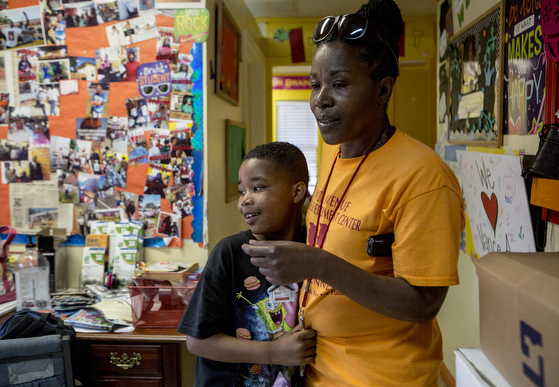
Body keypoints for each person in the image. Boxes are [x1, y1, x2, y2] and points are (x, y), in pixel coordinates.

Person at [241, 2, 465, 386]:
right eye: (315, 84)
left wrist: (318, 264)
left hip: (381, 378)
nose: (320, 99)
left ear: (383, 89)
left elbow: (423, 304)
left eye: (339, 84)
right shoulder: (335, 149)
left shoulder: (424, 177)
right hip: (320, 368)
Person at [177, 142, 316, 387]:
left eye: (258, 188)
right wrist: (274, 352)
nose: (245, 201)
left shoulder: (314, 255)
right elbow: (197, 341)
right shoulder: (230, 253)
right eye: (243, 191)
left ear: (297, 192)